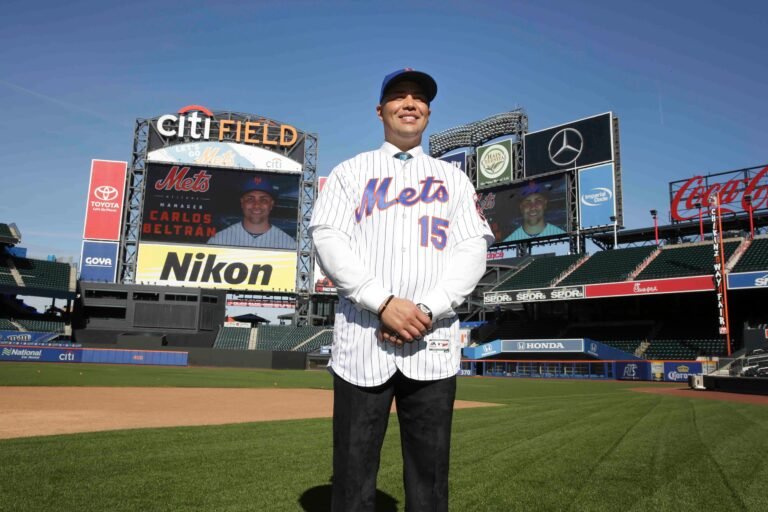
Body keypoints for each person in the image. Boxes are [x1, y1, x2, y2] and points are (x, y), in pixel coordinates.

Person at [309, 68, 494, 512]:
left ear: (428, 113)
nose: (409, 103)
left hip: (433, 342)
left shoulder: (454, 179)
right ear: (380, 110)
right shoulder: (350, 172)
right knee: (352, 479)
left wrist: (425, 309)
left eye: (419, 98)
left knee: (430, 482)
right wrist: (383, 303)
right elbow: (327, 239)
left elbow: (472, 250)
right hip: (362, 341)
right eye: (398, 96)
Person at [207, 175, 296, 249]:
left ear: (271, 204)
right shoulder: (219, 240)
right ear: (242, 203)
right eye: (250, 199)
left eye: (263, 200)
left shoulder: (288, 244)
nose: (256, 205)